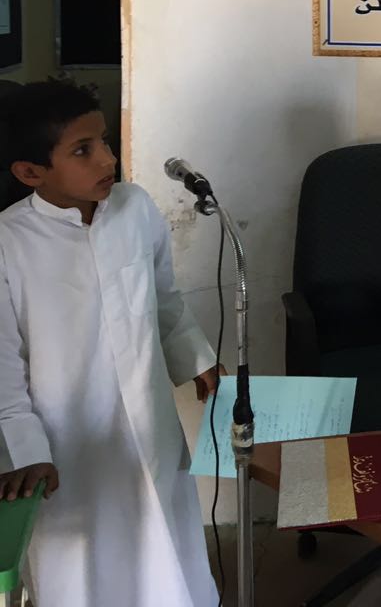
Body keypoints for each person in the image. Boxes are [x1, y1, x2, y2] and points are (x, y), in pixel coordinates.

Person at [0, 81, 221, 607]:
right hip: (67, 439)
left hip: (148, 419)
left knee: (164, 544)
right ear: (31, 173)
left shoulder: (135, 208)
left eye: (104, 141)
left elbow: (163, 296)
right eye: (83, 150)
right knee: (80, 568)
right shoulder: (9, 241)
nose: (108, 158)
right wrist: (25, 451)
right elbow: (2, 362)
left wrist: (197, 358)